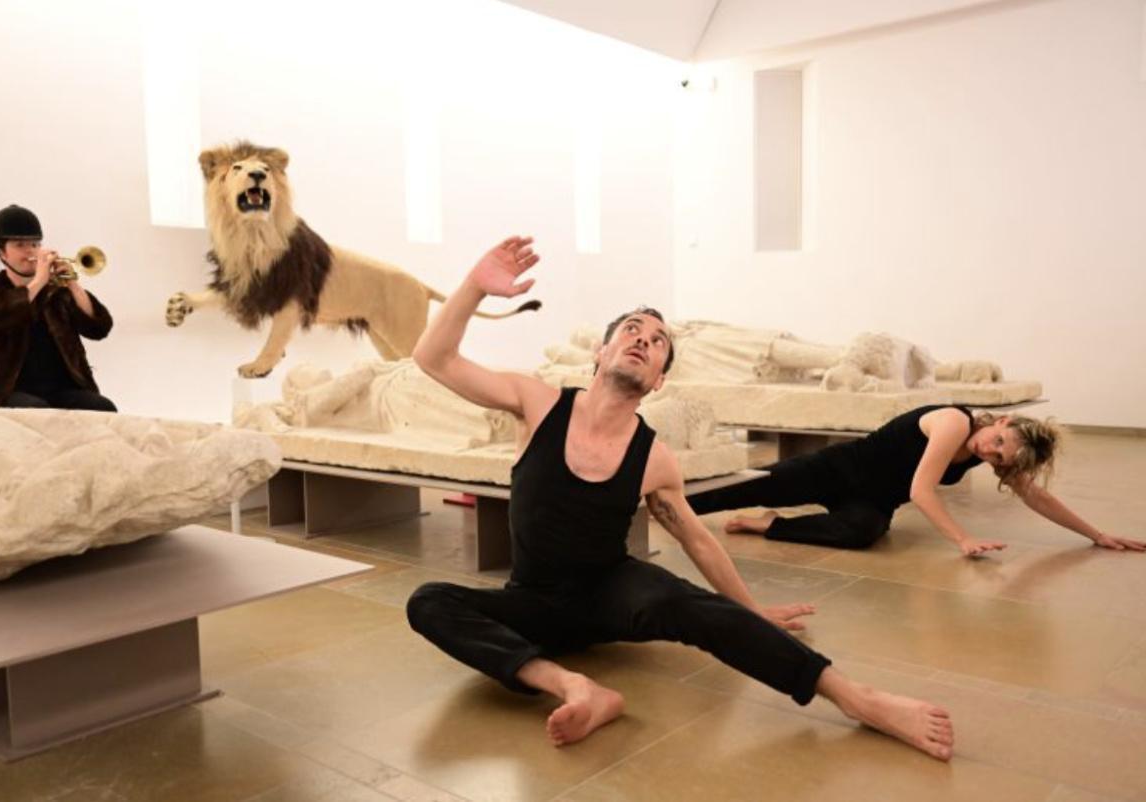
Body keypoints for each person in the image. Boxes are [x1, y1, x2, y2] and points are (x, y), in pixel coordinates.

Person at [405, 236, 955, 760]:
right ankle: (574, 686)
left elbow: (698, 540)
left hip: (610, 592)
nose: (644, 339)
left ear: (660, 381)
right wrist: (475, 285)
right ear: (601, 352)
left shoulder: (654, 458)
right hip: (532, 599)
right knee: (428, 601)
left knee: (688, 603)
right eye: (632, 330)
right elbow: (434, 357)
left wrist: (752, 610)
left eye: (658, 340)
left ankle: (858, 697)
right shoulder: (537, 402)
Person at [688, 406, 1145, 556]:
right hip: (833, 469)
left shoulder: (993, 452)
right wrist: (962, 538)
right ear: (1001, 420)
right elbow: (920, 491)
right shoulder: (952, 422)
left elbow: (1037, 497)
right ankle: (659, 505)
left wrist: (1097, 534)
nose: (992, 452)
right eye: (999, 440)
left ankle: (769, 525)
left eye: (1003, 456)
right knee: (736, 487)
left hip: (871, 500)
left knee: (863, 532)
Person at [0, 205, 116, 411]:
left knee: (103, 407)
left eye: (35, 244)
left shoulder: (57, 293)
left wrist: (72, 283)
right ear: (1, 253)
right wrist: (39, 281)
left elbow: (99, 328)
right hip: (8, 391)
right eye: (20, 245)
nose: (31, 251)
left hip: (63, 389)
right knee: (37, 411)